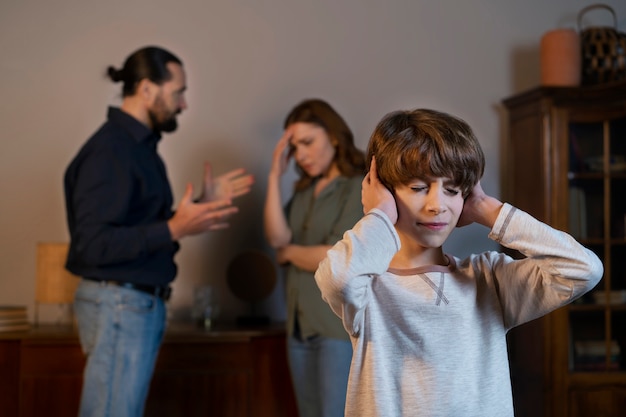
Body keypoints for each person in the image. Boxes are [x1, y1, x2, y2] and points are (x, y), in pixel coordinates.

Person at [315, 108, 603, 417]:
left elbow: (583, 269)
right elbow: (337, 279)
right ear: (383, 190)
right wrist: (380, 216)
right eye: (418, 187)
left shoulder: (488, 279)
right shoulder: (367, 287)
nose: (437, 205)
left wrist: (486, 208)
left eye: (452, 190)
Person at [64, 46, 254, 417]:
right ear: (148, 89)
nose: (183, 104)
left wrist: (199, 204)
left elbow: (136, 225)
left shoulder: (138, 149)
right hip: (121, 304)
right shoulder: (111, 151)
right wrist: (174, 227)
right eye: (178, 92)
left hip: (131, 304)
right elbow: (91, 245)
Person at [263, 98, 366, 417]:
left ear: (334, 136)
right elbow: (277, 237)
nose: (302, 154)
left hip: (335, 327)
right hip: (299, 324)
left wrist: (288, 253)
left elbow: (336, 257)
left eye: (308, 142)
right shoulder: (304, 192)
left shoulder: (357, 186)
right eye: (295, 147)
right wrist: (273, 178)